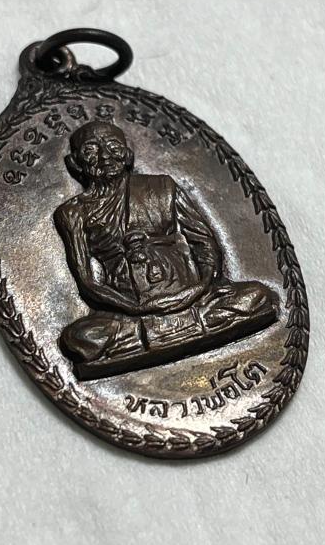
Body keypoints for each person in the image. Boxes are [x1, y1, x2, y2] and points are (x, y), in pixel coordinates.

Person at [54, 120, 277, 369]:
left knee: (257, 295)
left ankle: (154, 338)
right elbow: (87, 281)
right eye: (91, 150)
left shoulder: (162, 187)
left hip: (193, 296)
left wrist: (200, 287)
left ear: (127, 154)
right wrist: (135, 307)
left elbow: (203, 241)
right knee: (79, 339)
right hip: (129, 311)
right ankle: (176, 329)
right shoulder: (72, 213)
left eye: (113, 147)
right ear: (75, 163)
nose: (105, 156)